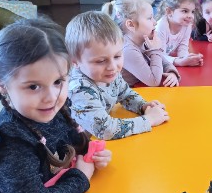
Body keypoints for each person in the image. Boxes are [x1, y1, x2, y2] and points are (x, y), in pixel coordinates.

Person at [0, 18, 112, 193]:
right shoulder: (10, 143)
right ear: (3, 87)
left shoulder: (54, 110)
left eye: (59, 81)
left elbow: (76, 144)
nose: (51, 97)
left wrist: (94, 155)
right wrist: (81, 176)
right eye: (33, 86)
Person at [66, 11, 169, 140]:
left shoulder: (108, 73)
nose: (113, 67)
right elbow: (106, 130)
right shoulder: (80, 89)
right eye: (100, 61)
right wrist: (149, 120)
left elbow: (125, 94)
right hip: (77, 144)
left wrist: (143, 106)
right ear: (75, 62)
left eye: (117, 56)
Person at [103, 0, 180, 88]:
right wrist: (155, 50)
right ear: (131, 25)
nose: (155, 22)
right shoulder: (127, 50)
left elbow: (164, 63)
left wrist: (172, 73)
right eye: (149, 18)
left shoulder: (143, 41)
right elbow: (153, 81)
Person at [155, 0, 203, 66]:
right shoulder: (161, 26)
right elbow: (158, 56)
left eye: (192, 11)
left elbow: (183, 47)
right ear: (169, 12)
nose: (190, 16)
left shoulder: (186, 25)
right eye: (185, 11)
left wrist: (187, 59)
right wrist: (179, 62)